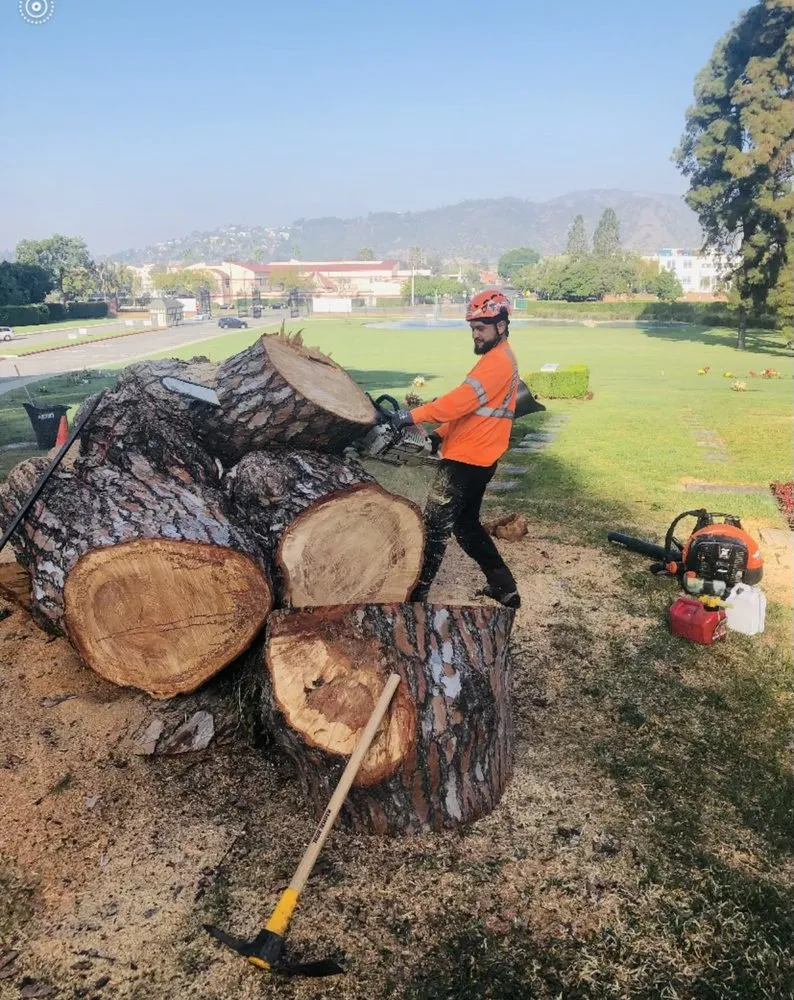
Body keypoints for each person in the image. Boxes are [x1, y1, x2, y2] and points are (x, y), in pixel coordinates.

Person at [390, 290, 521, 608]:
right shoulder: (497, 359)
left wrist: (411, 416)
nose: (475, 334)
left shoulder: (498, 362)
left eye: (481, 328)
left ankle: (415, 598)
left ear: (501, 326)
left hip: (467, 461)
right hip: (479, 456)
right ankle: (504, 587)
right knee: (465, 526)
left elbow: (459, 402)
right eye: (472, 328)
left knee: (433, 528)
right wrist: (439, 436)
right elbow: (473, 412)